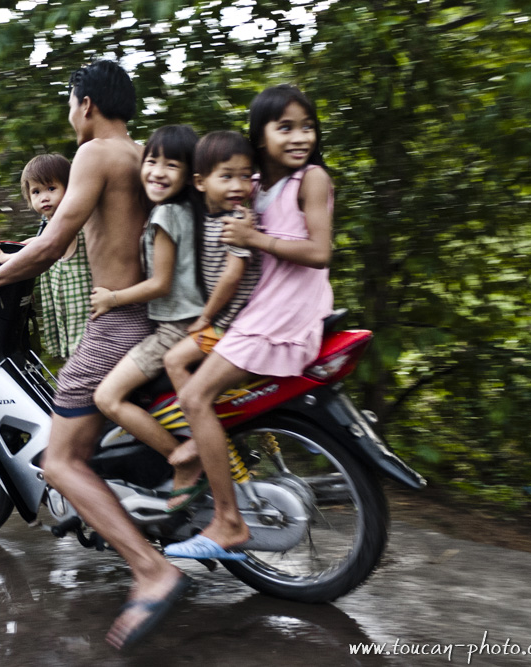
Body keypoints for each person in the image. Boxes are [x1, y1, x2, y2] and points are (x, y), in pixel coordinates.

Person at [0, 60, 191, 651]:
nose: (69, 113)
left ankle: (151, 568)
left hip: (118, 325)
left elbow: (55, 240)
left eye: (69, 101)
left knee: (59, 461)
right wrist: (12, 253)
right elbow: (73, 231)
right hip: (157, 316)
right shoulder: (141, 156)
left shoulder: (95, 154)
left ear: (85, 104)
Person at [164, 84, 335, 561]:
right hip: (258, 306)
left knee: (196, 396)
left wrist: (257, 238)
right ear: (260, 135)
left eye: (307, 126)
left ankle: (228, 522)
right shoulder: (257, 185)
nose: (300, 137)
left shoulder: (312, 179)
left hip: (287, 311)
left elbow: (320, 252)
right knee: (179, 361)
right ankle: (204, 447)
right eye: (285, 127)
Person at [90, 125, 204, 487]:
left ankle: (182, 460)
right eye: (151, 160)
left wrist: (113, 298)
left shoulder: (166, 215)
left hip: (176, 328)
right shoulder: (188, 212)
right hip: (191, 323)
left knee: (107, 398)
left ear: (188, 176)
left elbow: (160, 284)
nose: (157, 171)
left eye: (171, 165)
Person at [159, 131, 260, 509]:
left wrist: (205, 317)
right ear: (200, 182)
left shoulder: (237, 220)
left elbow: (233, 275)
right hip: (228, 318)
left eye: (245, 176)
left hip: (229, 322)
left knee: (173, 359)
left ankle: (198, 440)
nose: (238, 185)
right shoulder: (213, 218)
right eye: (227, 176)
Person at [0, 154, 92, 358]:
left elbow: (42, 248)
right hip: (67, 306)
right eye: (36, 191)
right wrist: (25, 244)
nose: (44, 196)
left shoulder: (71, 222)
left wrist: (6, 259)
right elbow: (40, 242)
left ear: (69, 189)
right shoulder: (51, 225)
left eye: (51, 189)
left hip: (81, 304)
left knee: (82, 353)